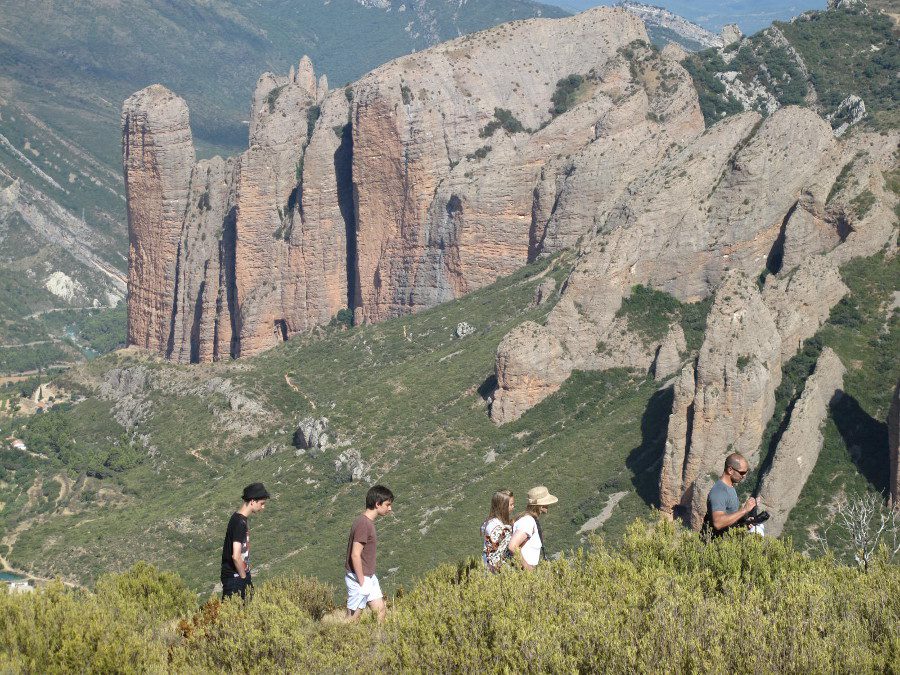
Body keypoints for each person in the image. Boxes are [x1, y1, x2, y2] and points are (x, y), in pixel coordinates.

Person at [345, 484, 394, 621]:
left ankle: (379, 635)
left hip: (368, 576)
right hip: (359, 578)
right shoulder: (364, 524)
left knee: (380, 611)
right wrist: (362, 581)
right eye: (387, 504)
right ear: (378, 504)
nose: (390, 508)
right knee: (352, 619)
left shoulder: (366, 522)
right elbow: (355, 554)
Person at [221, 482, 269, 600]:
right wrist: (243, 577)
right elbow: (236, 556)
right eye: (261, 503)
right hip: (235, 577)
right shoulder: (239, 523)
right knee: (237, 609)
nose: (263, 507)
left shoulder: (238, 518)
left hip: (236, 575)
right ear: (252, 501)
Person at [704, 453, 758, 538]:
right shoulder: (719, 492)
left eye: (746, 472)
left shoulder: (730, 487)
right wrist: (744, 510)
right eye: (742, 472)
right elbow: (718, 523)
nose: (744, 476)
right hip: (716, 543)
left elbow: (730, 513)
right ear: (730, 470)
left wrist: (744, 521)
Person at [509, 485, 557, 570]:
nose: (548, 505)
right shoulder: (528, 521)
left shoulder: (528, 519)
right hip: (523, 573)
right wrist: (528, 569)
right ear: (540, 506)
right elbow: (512, 546)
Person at [481, 489, 514, 573]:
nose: (513, 507)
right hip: (498, 571)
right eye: (511, 504)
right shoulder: (496, 527)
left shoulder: (491, 522)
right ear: (503, 507)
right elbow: (494, 554)